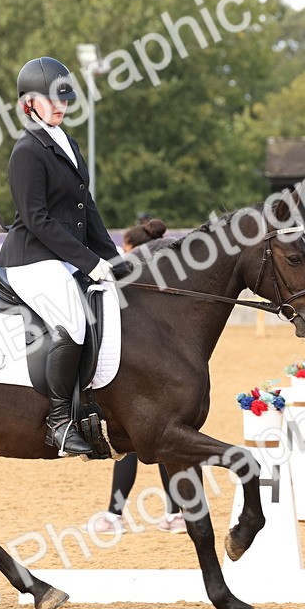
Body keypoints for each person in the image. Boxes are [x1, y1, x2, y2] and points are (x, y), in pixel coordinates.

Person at [0, 55, 131, 457]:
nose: (59, 106)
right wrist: (90, 262)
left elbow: (85, 209)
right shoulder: (27, 151)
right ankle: (58, 422)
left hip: (61, 257)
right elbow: (36, 219)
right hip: (30, 259)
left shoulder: (67, 144)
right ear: (28, 104)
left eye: (64, 98)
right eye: (50, 99)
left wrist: (114, 255)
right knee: (72, 323)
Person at [94, 214, 186, 533]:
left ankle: (115, 515)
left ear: (134, 248)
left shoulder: (130, 272)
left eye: (126, 249)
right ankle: (174, 513)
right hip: (166, 367)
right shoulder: (166, 274)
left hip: (136, 366)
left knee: (132, 442)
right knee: (159, 441)